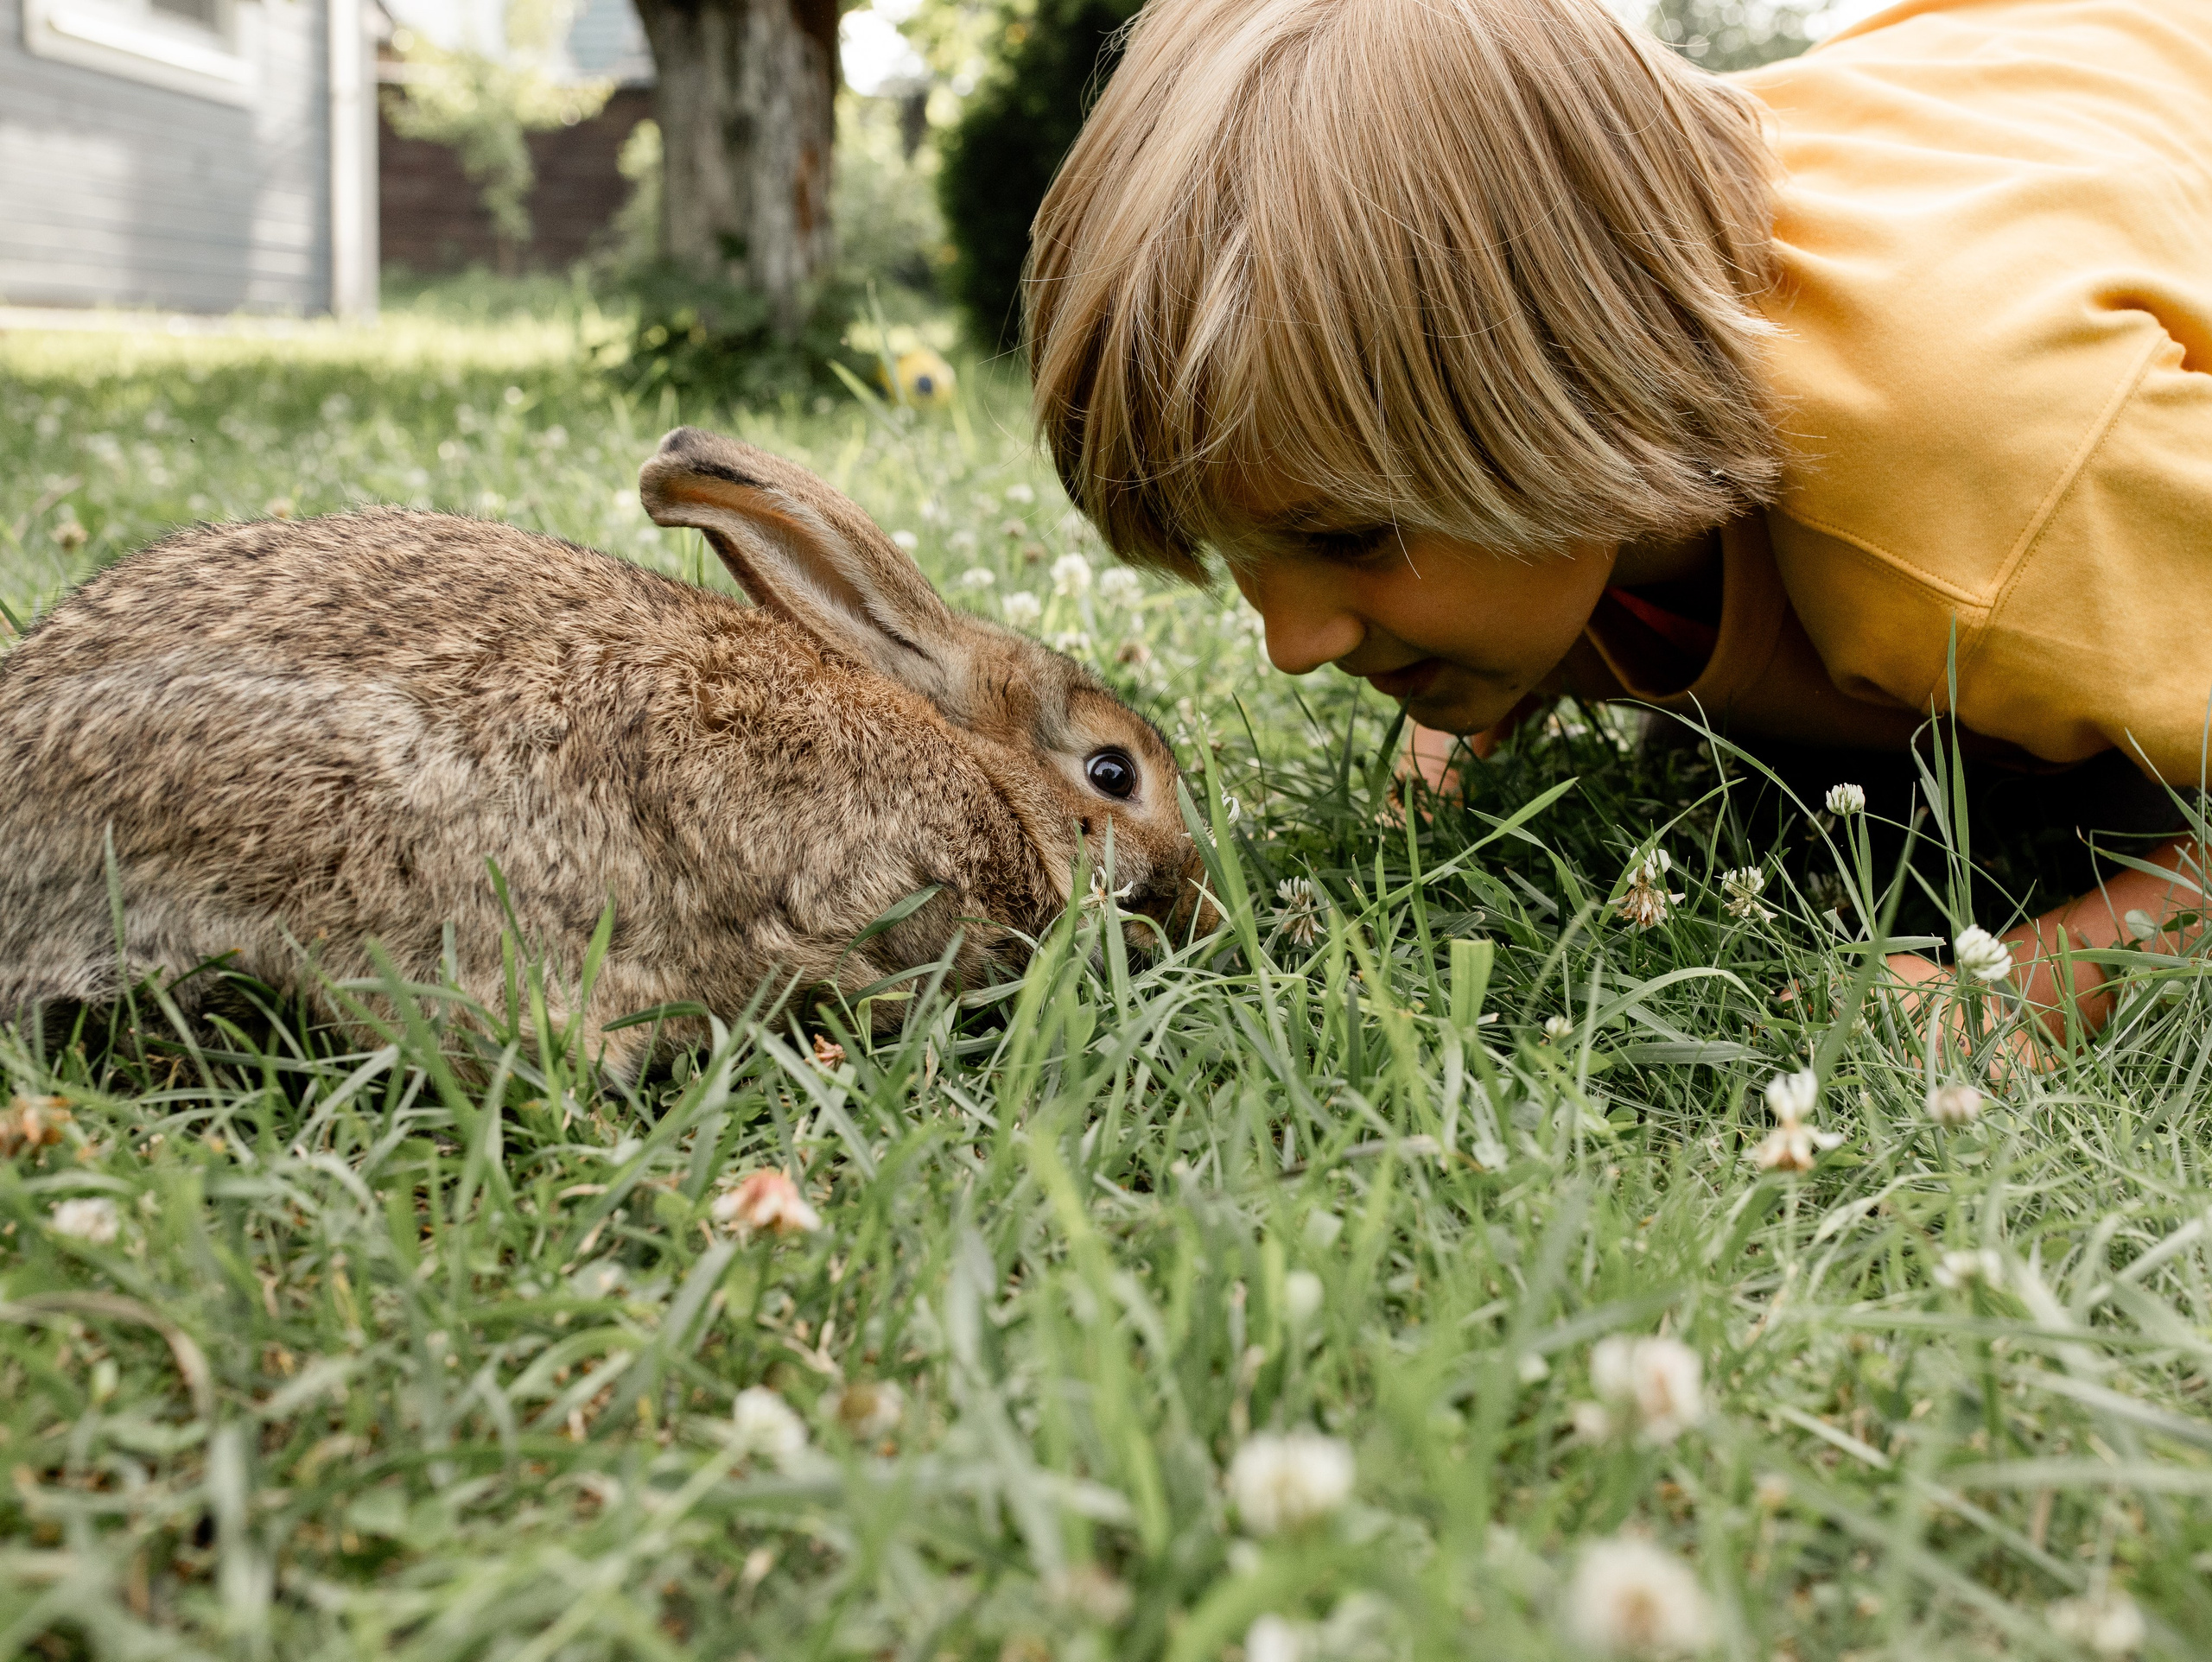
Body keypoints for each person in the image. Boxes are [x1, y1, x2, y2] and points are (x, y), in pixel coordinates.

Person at [1023, 0, 2212, 1038]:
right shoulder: (1569, 444)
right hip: (1986, 69)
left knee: (2112, 791)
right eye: (1242, 553)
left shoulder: (2003, 484)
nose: (1292, 648)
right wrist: (1432, 761)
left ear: (1585, 387)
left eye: (1350, 539)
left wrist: (2037, 993)